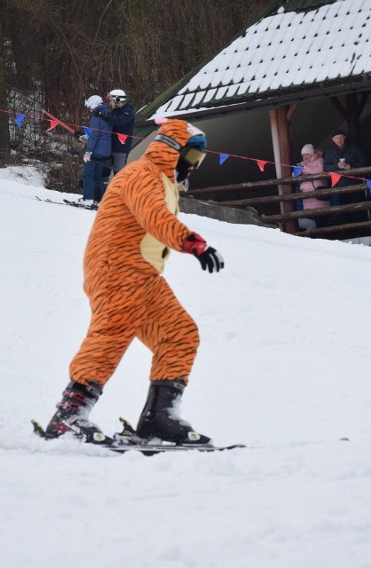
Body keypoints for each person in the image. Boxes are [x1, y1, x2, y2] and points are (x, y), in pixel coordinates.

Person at [40, 117, 225, 447]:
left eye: (200, 161)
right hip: (116, 268)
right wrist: (192, 242)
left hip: (142, 275)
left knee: (178, 333)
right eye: (192, 158)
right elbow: (153, 216)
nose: (193, 167)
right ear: (173, 151)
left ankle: (159, 419)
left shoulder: (162, 181)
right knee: (112, 332)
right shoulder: (140, 175)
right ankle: (69, 415)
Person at [80, 94, 112, 206]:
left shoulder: (96, 117)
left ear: (93, 105)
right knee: (98, 176)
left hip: (96, 151)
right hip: (106, 151)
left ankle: (88, 199)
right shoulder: (108, 114)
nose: (89, 110)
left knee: (88, 175)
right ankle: (99, 200)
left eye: (89, 107)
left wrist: (88, 151)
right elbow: (101, 133)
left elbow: (95, 135)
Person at [294, 144, 326, 230]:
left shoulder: (320, 160)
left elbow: (320, 170)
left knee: (321, 217)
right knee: (311, 218)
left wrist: (306, 169)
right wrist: (298, 170)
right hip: (306, 195)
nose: (305, 157)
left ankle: (323, 237)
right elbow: (293, 175)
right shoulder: (303, 164)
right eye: (303, 155)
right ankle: (315, 237)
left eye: (307, 154)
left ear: (312, 153)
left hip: (318, 193)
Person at [107, 89, 136, 173]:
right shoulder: (115, 111)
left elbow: (118, 121)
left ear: (117, 100)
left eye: (111, 100)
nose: (110, 103)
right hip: (111, 147)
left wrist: (105, 115)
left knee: (119, 173)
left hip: (121, 149)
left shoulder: (128, 112)